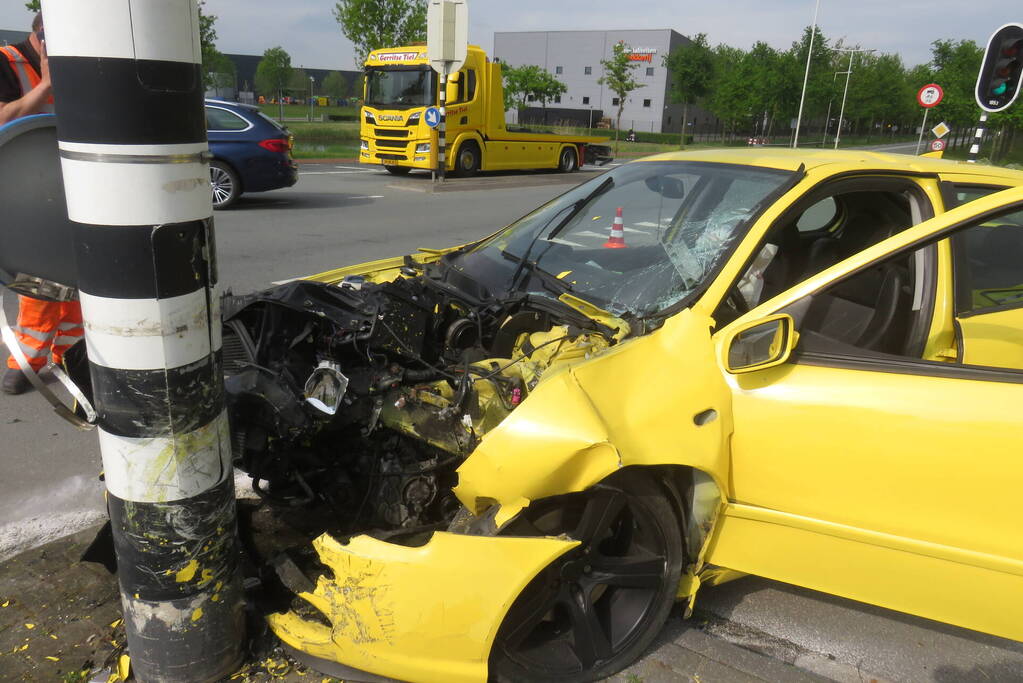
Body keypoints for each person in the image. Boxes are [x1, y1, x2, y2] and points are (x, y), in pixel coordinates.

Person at [0, 13, 83, 395]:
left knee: (76, 277)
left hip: (70, 183)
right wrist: (46, 85)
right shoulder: (6, 61)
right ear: (42, 36)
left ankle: (70, 355)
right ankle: (26, 362)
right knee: (39, 280)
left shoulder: (76, 64)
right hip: (22, 186)